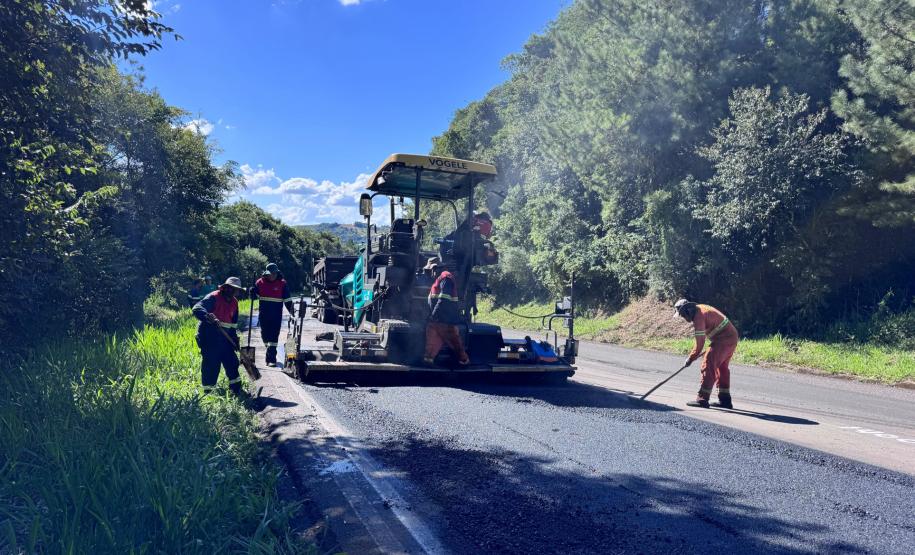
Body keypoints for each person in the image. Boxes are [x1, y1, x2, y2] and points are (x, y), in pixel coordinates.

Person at [675, 299, 739, 409]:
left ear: (687, 311)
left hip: (723, 339)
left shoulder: (699, 317)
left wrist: (690, 359)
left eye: (682, 315)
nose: (684, 318)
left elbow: (699, 344)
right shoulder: (700, 309)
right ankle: (725, 400)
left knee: (708, 364)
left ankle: (702, 399)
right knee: (722, 368)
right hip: (731, 337)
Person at [193, 277, 245, 395]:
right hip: (209, 336)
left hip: (225, 338)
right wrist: (208, 316)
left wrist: (235, 340)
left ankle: (236, 390)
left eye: (236, 290)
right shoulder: (213, 297)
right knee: (211, 364)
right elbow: (197, 308)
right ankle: (208, 393)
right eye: (231, 288)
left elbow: (233, 325)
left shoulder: (235, 303)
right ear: (225, 287)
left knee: (232, 362)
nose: (233, 291)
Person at [423, 259, 470, 366]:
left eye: (430, 270)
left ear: (435, 268)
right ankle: (428, 362)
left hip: (445, 319)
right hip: (438, 319)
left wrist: (434, 314)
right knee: (432, 341)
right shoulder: (440, 279)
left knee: (454, 341)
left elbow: (443, 299)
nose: (430, 273)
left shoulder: (446, 278)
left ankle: (464, 361)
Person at [249, 263, 295, 365]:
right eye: (271, 274)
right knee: (264, 335)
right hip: (263, 314)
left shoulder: (282, 284)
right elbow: (253, 296)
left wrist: (292, 312)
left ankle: (271, 359)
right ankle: (269, 350)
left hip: (276, 315)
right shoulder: (259, 283)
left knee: (274, 336)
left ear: (277, 273)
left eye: (274, 274)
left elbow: (288, 300)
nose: (272, 276)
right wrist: (251, 292)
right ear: (267, 274)